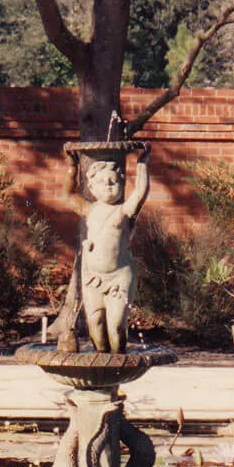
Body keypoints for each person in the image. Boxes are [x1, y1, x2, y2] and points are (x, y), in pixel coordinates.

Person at [64, 143, 150, 353]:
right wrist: (71, 166)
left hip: (119, 277)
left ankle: (118, 362)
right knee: (96, 325)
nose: (108, 184)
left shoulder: (123, 211)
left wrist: (142, 163)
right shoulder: (89, 209)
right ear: (92, 188)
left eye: (114, 181)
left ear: (122, 185)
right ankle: (101, 364)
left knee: (116, 325)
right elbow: (67, 194)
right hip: (92, 277)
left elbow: (140, 192)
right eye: (102, 182)